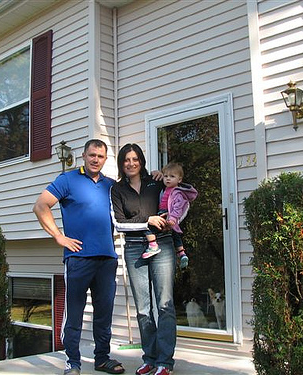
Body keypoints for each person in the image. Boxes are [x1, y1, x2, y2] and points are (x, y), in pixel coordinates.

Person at [33, 139, 125, 375]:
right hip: (78, 258)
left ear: (105, 159)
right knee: (74, 313)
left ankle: (102, 359)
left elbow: (136, 190)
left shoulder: (111, 186)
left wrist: (156, 175)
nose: (96, 159)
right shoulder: (68, 180)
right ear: (84, 155)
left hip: (107, 259)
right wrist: (58, 237)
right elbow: (41, 206)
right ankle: (72, 363)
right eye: (92, 155)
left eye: (100, 156)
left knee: (104, 313)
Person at [110, 143, 177, 375]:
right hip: (134, 248)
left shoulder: (156, 181)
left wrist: (172, 218)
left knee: (165, 305)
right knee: (143, 309)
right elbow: (118, 223)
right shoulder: (117, 189)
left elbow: (176, 196)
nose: (131, 163)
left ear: (141, 161)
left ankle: (165, 363)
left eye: (135, 158)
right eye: (126, 159)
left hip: (164, 245)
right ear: (122, 163)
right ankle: (150, 357)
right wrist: (147, 221)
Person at [141, 162, 198, 270]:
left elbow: (178, 207)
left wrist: (173, 218)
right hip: (164, 213)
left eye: (172, 176)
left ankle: (153, 245)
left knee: (148, 226)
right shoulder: (165, 189)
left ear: (179, 180)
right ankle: (181, 253)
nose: (168, 179)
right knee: (175, 235)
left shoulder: (178, 193)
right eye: (166, 176)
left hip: (168, 214)